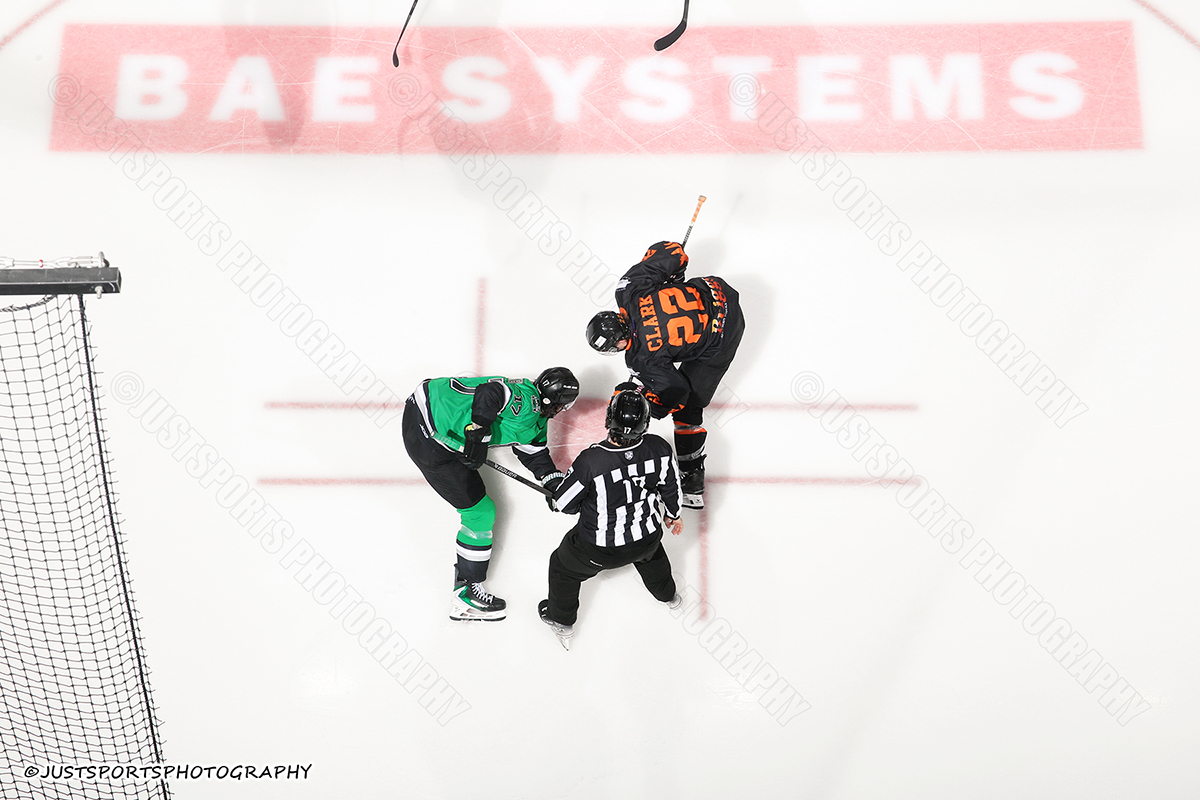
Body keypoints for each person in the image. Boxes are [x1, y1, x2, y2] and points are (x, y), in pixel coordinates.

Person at [403, 368, 579, 621]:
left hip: (425, 403)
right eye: (564, 405)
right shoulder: (527, 403)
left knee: (479, 502)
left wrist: (553, 482)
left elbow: (533, 452)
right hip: (429, 437)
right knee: (480, 513)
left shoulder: (534, 410)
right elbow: (491, 391)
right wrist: (479, 430)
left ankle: (466, 585)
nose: (563, 410)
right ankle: (466, 593)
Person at [585, 240, 744, 508]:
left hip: (724, 332)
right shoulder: (628, 289)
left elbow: (676, 392)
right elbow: (670, 252)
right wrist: (675, 274)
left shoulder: (641, 358)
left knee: (688, 410)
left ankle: (691, 479)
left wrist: (650, 405)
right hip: (717, 290)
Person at [538, 385, 683, 650]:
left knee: (562, 568)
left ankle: (561, 619)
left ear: (609, 420)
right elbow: (670, 487)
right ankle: (669, 596)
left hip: (598, 549)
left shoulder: (591, 462)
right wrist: (673, 515)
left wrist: (555, 498)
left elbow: (566, 505)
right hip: (647, 538)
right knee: (652, 556)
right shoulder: (660, 448)